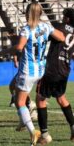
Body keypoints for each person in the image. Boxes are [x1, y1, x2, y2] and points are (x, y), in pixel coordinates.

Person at [9, 1, 64, 146]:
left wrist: (9, 50)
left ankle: (34, 132)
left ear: (27, 13)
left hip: (28, 70)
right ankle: (26, 118)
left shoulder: (26, 30)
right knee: (14, 86)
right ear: (40, 13)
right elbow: (61, 37)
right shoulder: (46, 26)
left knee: (19, 102)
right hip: (41, 70)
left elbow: (20, 48)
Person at [36, 8, 74, 144]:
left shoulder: (60, 26)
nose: (63, 17)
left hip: (53, 68)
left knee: (40, 98)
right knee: (61, 98)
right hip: (65, 69)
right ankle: (73, 127)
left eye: (64, 16)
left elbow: (46, 34)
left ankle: (44, 135)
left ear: (68, 18)